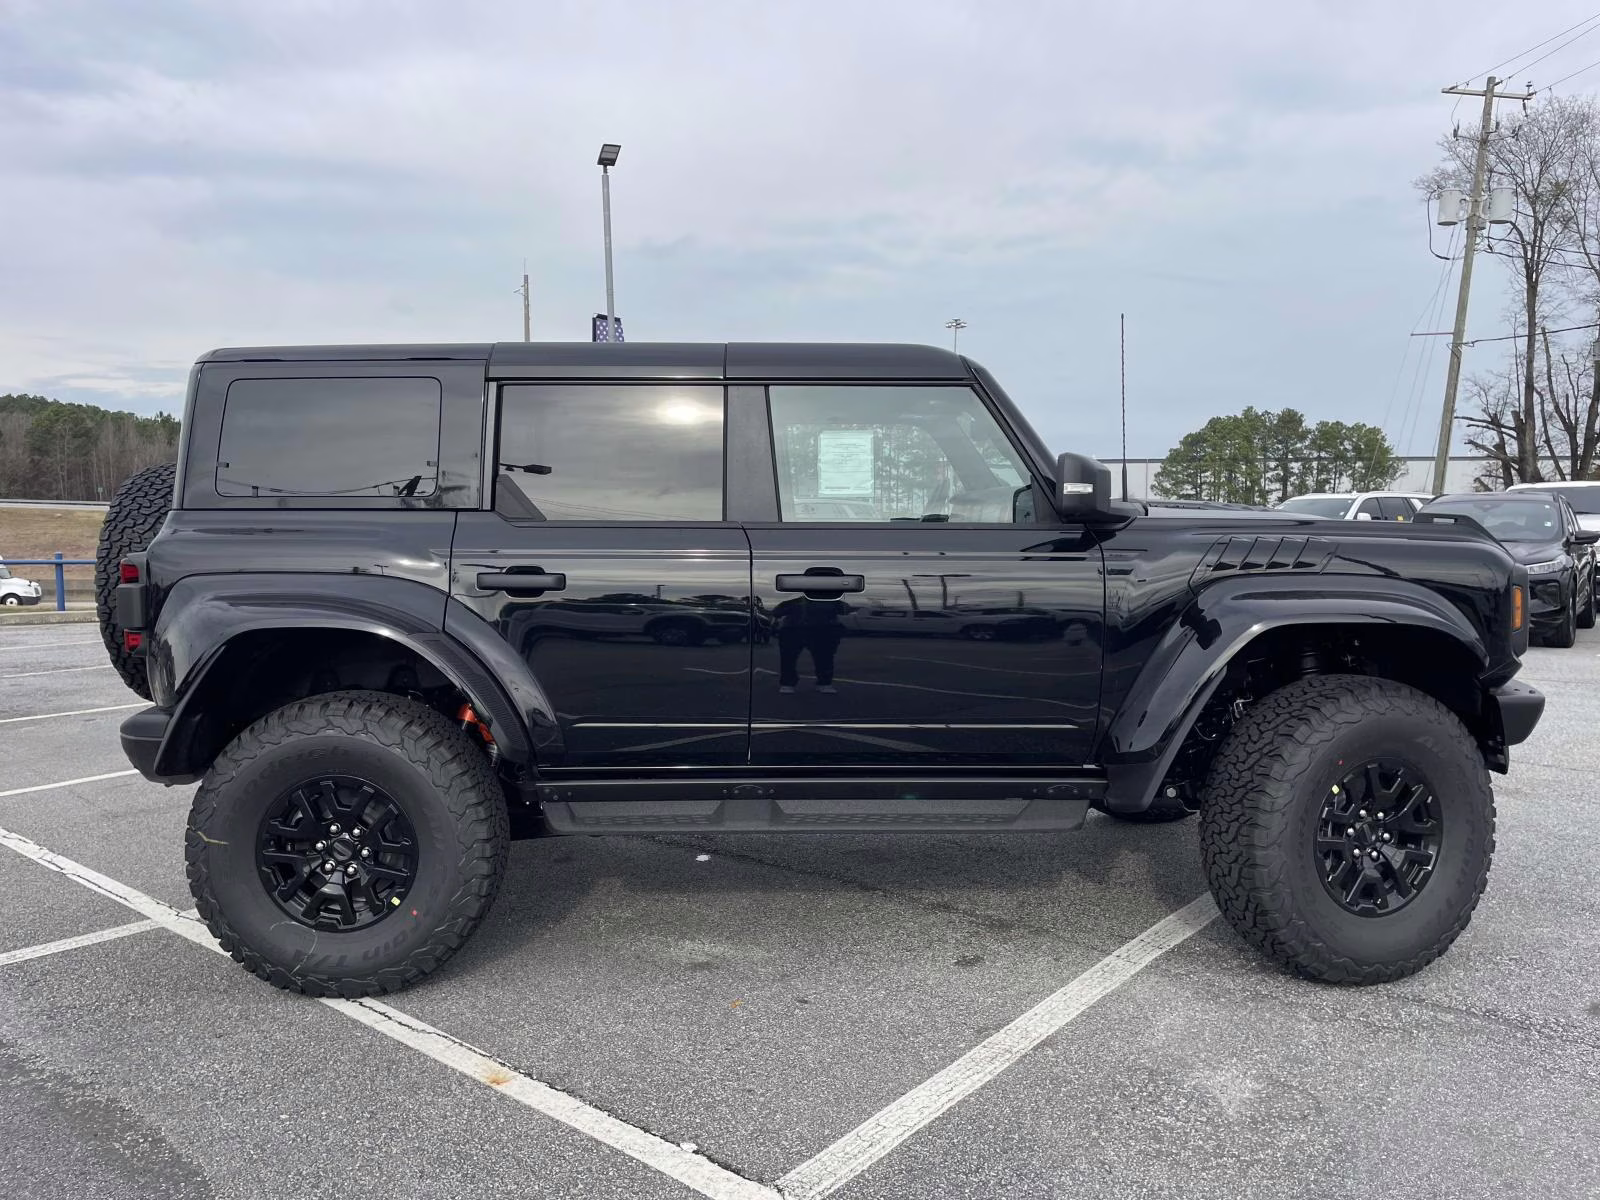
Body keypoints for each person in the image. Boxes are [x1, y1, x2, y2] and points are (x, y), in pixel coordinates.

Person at [772, 594, 849, 693]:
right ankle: (788, 683)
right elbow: (777, 612)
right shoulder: (794, 602)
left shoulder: (830, 602)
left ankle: (824, 683)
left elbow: (845, 609)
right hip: (794, 631)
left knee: (824, 658)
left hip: (820, 632)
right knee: (789, 659)